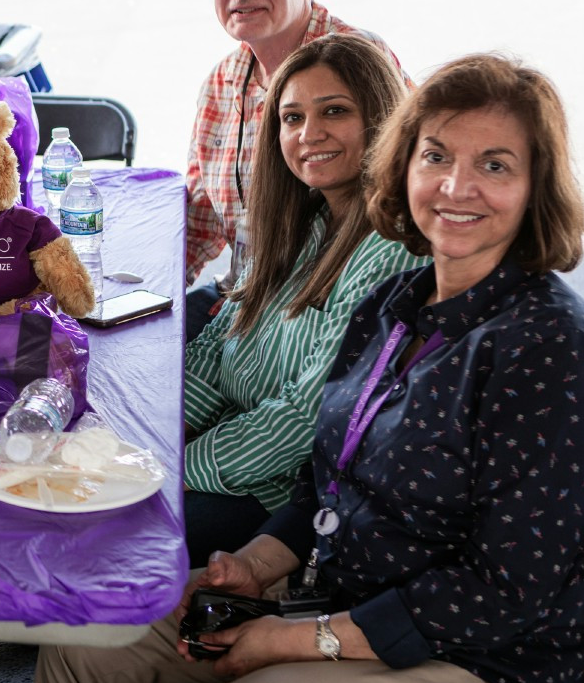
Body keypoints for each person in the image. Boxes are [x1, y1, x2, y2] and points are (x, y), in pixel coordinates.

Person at [29, 54, 584, 683]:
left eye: (494, 164)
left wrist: (295, 640)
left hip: (479, 666)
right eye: (436, 155)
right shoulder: (396, 303)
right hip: (336, 590)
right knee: (81, 649)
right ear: (404, 165)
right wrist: (254, 564)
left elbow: (502, 594)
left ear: (537, 184)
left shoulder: (553, 346)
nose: (457, 184)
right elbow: (330, 478)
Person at [181, 34, 425, 566]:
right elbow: (221, 343)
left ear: (382, 120)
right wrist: (162, 431)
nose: (308, 134)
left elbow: (303, 421)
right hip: (234, 449)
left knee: (104, 531)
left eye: (334, 111)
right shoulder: (310, 220)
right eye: (291, 119)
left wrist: (170, 468)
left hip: (285, 496)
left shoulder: (390, 252)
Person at [184, 0, 404, 341]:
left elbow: (405, 202)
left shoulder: (359, 62)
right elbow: (198, 225)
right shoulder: (221, 85)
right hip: (243, 300)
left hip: (326, 316)